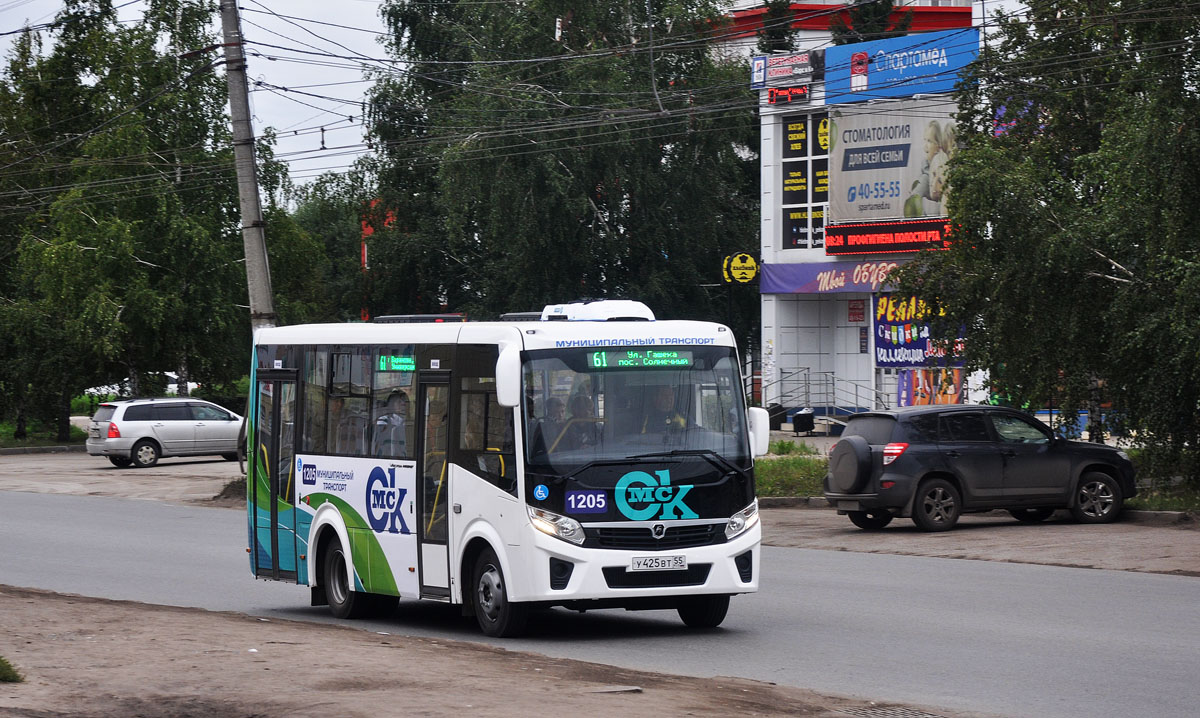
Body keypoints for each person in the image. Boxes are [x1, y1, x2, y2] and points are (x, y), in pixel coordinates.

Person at [374, 390, 408, 457]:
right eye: (399, 402)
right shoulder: (384, 420)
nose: (403, 404)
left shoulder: (408, 422)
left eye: (405, 401)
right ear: (391, 404)